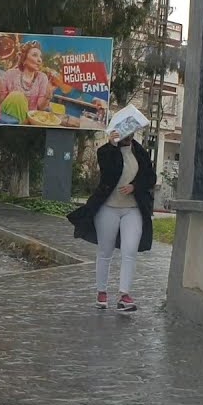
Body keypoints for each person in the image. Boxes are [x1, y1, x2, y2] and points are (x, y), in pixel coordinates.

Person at [66, 129, 156, 312]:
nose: (127, 136)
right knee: (105, 251)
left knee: (130, 250)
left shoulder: (139, 152)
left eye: (131, 132)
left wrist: (135, 186)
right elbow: (109, 173)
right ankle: (101, 292)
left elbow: (150, 177)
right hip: (108, 208)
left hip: (133, 209)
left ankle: (124, 295)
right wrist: (112, 146)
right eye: (123, 133)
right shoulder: (106, 151)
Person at [0, 41, 54, 111]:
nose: (39, 60)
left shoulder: (42, 78)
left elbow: (41, 107)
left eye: (40, 57)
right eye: (35, 55)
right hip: (10, 117)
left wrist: (48, 94)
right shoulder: (10, 74)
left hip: (30, 118)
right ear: (24, 59)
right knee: (17, 96)